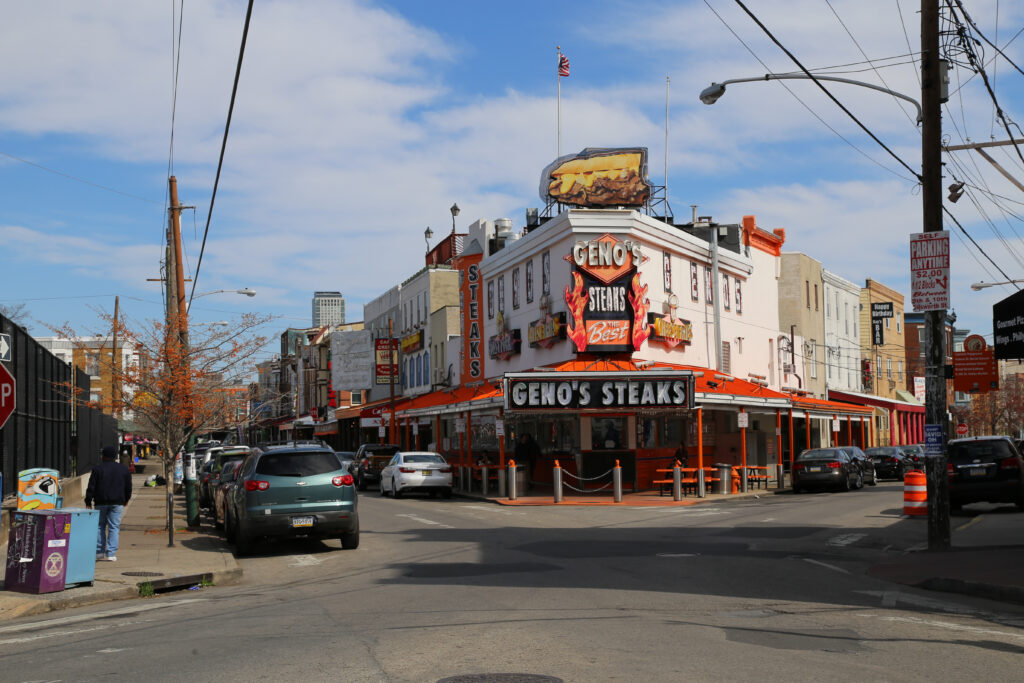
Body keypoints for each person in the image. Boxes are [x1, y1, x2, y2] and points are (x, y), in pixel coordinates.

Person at [85, 445, 132, 562]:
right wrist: (126, 499)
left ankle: (99, 551)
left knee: (99, 526)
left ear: (103, 456)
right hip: (118, 502)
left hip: (101, 501)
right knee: (114, 527)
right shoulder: (123, 469)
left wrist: (88, 500)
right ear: (115, 456)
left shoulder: (97, 469)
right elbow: (128, 487)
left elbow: (91, 486)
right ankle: (111, 553)